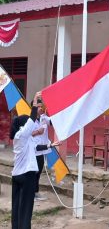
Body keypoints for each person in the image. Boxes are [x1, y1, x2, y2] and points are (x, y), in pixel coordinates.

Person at [10, 91, 60, 229]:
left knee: (17, 206)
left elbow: (36, 148)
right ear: (22, 126)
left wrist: (50, 145)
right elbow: (31, 120)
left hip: (17, 176)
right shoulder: (22, 134)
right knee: (26, 208)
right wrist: (36, 99)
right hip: (27, 176)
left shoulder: (21, 138)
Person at [32, 99, 51, 201]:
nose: (40, 109)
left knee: (39, 172)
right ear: (33, 108)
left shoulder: (43, 118)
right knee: (33, 172)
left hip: (42, 150)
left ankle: (35, 192)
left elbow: (52, 122)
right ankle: (31, 193)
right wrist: (37, 132)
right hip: (33, 150)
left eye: (41, 106)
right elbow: (26, 134)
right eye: (38, 107)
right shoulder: (30, 120)